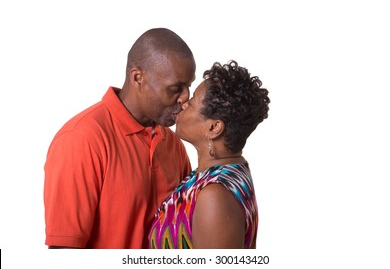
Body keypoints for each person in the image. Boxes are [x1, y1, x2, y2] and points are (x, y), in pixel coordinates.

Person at [44, 28, 196, 248]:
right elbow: (64, 251)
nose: (185, 98)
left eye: (188, 86)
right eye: (175, 88)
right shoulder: (81, 140)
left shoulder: (173, 144)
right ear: (138, 78)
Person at [148, 60, 270, 249]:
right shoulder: (222, 172)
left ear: (213, 128)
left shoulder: (215, 196)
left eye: (192, 102)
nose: (183, 103)